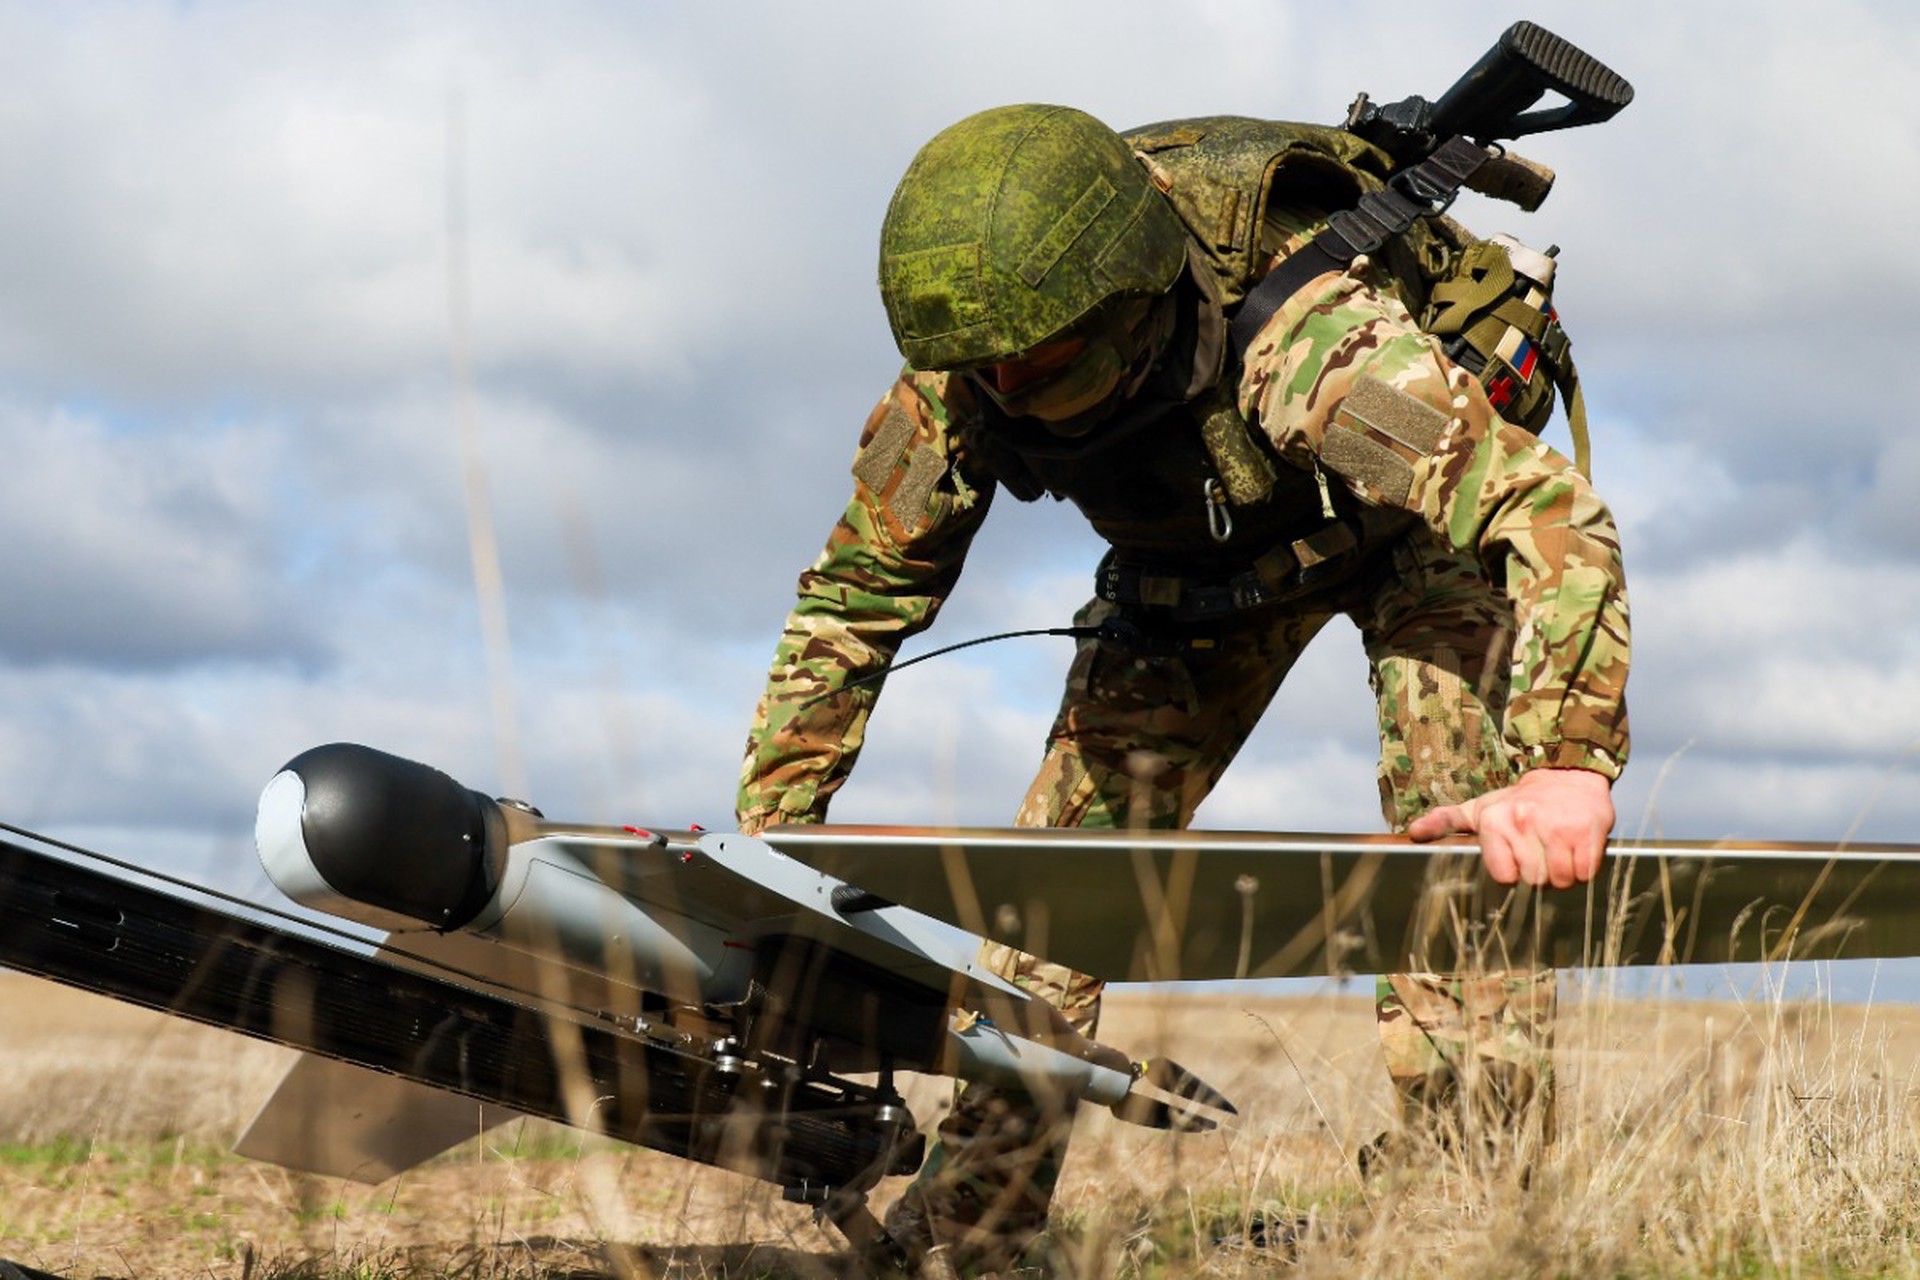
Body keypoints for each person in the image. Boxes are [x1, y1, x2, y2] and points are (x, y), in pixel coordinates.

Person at [738, 103, 1629, 1273]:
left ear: (1131, 305)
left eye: (1041, 363)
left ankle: (1467, 1214)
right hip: (1189, 585)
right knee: (1051, 891)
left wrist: (1565, 762)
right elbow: (854, 601)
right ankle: (970, 1237)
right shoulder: (965, 370)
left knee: (1459, 822)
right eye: (986, 367)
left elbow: (1550, 512)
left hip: (1404, 536)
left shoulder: (1311, 346)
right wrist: (768, 843)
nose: (1007, 385)